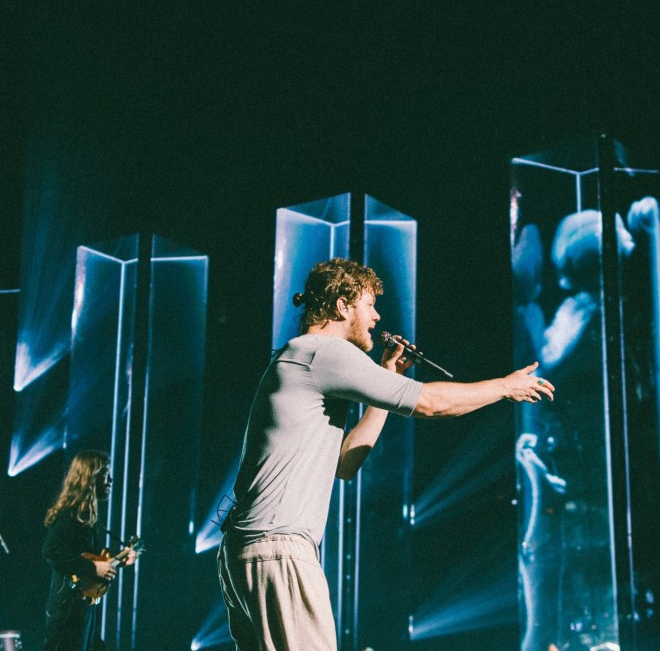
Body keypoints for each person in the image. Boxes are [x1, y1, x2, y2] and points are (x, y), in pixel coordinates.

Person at [218, 257, 555, 650]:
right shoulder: (323, 353)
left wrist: (389, 378)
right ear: (343, 306)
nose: (377, 317)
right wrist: (505, 386)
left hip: (251, 550)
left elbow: (344, 464)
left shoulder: (302, 357)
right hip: (279, 549)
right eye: (369, 305)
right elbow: (430, 402)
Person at [41, 450, 136, 651]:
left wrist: (120, 559)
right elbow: (51, 550)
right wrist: (93, 567)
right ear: (89, 479)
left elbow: (92, 560)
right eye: (104, 475)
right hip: (66, 609)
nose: (110, 480)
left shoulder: (87, 519)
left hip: (81, 608)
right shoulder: (70, 515)